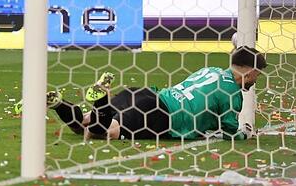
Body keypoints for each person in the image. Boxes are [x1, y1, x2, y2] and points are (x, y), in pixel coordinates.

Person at [39, 46, 266, 141]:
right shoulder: (231, 93)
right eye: (257, 74)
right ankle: (100, 101)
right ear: (250, 71)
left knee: (83, 124)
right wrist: (245, 133)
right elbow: (229, 131)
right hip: (159, 114)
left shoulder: (211, 70)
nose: (256, 79)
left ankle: (60, 104)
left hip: (144, 94)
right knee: (105, 131)